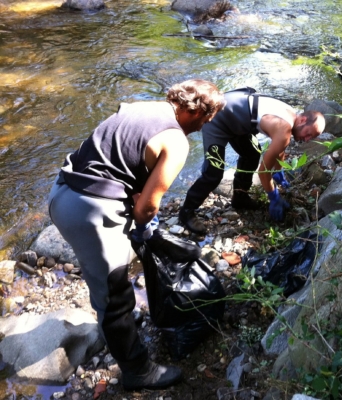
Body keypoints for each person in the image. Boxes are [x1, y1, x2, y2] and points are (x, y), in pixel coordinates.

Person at [47, 79, 225, 391]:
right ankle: (137, 370)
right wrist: (146, 231)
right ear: (196, 112)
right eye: (206, 119)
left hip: (62, 193)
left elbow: (113, 158)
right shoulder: (177, 141)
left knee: (100, 279)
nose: (204, 126)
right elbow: (146, 207)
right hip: (91, 213)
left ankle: (113, 330)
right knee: (115, 296)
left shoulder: (139, 107)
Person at [179, 88, 325, 235]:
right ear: (303, 120)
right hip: (217, 118)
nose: (306, 140)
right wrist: (273, 196)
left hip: (237, 121)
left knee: (252, 154)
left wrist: (278, 170)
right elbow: (263, 171)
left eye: (311, 138)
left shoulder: (290, 115)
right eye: (308, 134)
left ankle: (240, 198)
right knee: (214, 172)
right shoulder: (284, 128)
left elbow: (279, 149)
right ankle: (186, 212)